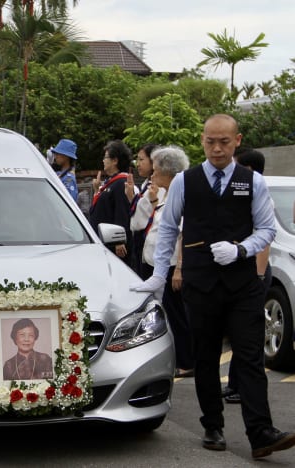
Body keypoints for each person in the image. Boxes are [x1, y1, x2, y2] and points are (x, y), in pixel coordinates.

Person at [132, 114, 295, 459]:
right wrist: (161, 274)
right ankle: (212, 425)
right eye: (210, 141)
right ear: (203, 141)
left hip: (243, 283)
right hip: (201, 281)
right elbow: (168, 229)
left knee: (250, 358)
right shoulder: (184, 182)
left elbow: (266, 230)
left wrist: (240, 249)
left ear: (237, 140)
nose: (217, 148)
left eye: (224, 141)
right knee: (205, 356)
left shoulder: (252, 182)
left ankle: (261, 432)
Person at [131, 146, 193, 378]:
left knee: (177, 315)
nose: (152, 175)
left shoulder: (183, 193)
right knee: (165, 314)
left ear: (169, 172)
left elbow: (183, 233)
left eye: (156, 170)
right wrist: (150, 200)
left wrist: (179, 268)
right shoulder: (162, 193)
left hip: (171, 267)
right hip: (156, 264)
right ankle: (175, 357)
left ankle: (187, 361)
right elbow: (138, 224)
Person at [222, 148, 272, 405]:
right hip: (243, 268)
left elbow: (264, 242)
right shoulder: (243, 195)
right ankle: (233, 385)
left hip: (256, 271)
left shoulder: (260, 197)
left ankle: (243, 389)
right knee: (237, 330)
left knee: (249, 333)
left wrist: (259, 276)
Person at [89, 140, 134, 266]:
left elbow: (122, 211)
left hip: (113, 244)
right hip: (104, 242)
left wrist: (119, 239)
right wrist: (97, 190)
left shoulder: (121, 183)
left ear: (115, 160)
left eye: (106, 157)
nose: (103, 160)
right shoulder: (111, 182)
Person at [126, 144, 161, 278]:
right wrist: (131, 196)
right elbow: (141, 211)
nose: (138, 164)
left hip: (151, 240)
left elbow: (155, 212)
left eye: (141, 160)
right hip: (140, 240)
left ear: (153, 161)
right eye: (137, 160)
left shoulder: (159, 185)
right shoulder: (146, 184)